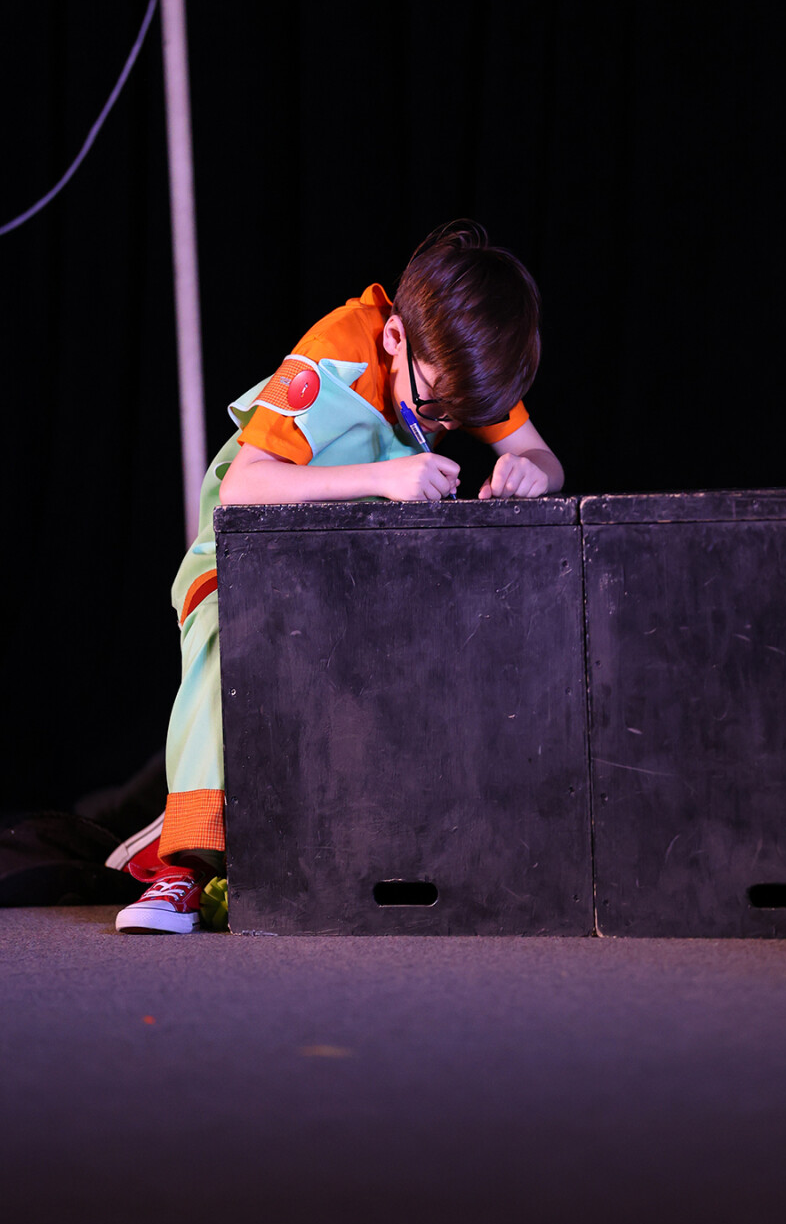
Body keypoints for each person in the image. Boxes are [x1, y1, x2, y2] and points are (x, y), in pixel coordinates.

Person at [115, 220, 563, 933]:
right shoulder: (338, 351)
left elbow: (543, 457)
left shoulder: (462, 363)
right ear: (396, 339)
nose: (447, 424)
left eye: (465, 416)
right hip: (247, 555)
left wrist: (527, 470)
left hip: (346, 567)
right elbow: (244, 488)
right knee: (229, 647)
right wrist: (384, 477)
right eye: (436, 404)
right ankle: (180, 867)